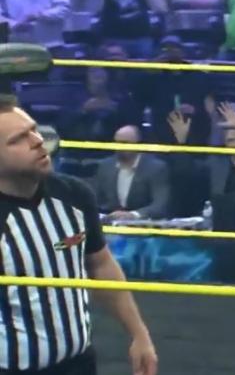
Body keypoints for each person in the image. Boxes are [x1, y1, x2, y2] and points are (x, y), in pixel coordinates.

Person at [0, 102, 157, 374]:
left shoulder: (74, 194)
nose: (38, 142)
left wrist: (139, 333)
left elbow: (101, 265)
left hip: (79, 361)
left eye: (34, 130)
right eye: (19, 139)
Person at [92, 125, 171, 221]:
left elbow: (160, 205)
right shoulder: (105, 166)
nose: (119, 147)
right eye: (116, 143)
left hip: (143, 224)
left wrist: (133, 215)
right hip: (111, 222)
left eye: (124, 143)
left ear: (138, 144)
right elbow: (95, 199)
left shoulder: (156, 168)